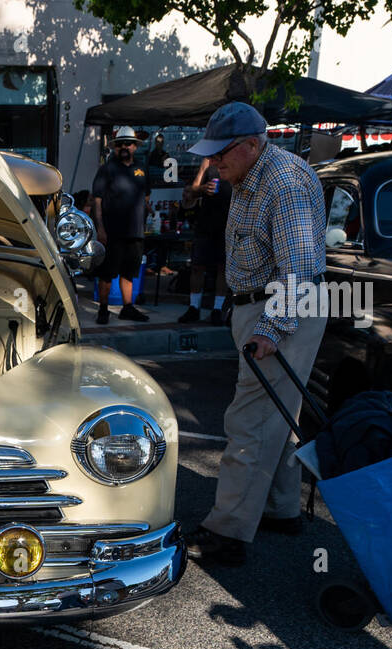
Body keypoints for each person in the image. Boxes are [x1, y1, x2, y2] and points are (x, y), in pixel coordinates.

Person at [183, 102, 327, 566]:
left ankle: (227, 531)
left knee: (248, 421)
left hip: (281, 309)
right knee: (277, 416)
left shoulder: (282, 181)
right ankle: (279, 508)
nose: (215, 164)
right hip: (265, 305)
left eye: (221, 155)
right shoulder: (252, 173)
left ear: (251, 144)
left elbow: (301, 269)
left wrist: (271, 328)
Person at [91, 126, 151, 324]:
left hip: (135, 231)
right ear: (115, 147)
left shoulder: (142, 168)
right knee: (107, 273)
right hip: (112, 231)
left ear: (135, 147)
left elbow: (147, 195)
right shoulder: (107, 169)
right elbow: (97, 200)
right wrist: (100, 228)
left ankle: (127, 307)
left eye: (128, 143)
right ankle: (103, 309)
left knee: (129, 272)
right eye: (120, 144)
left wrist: (145, 215)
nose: (124, 147)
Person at [178, 157, 231, 324]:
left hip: (228, 223)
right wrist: (202, 188)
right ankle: (194, 307)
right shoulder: (208, 161)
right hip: (206, 222)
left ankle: (217, 309)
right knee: (197, 266)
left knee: (223, 268)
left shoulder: (237, 159)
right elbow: (191, 190)